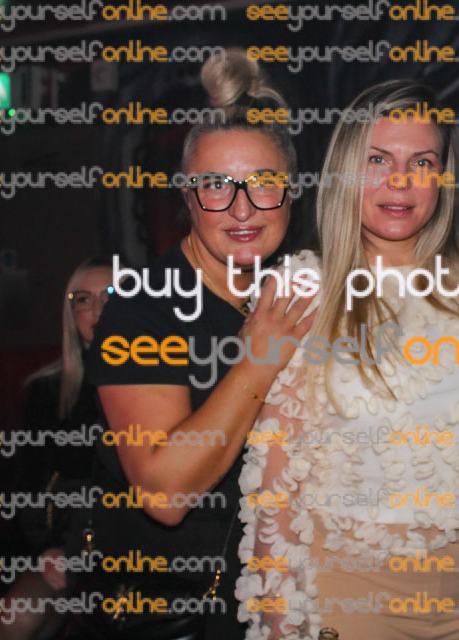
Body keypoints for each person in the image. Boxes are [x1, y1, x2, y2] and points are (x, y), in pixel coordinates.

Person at [235, 80, 459, 640]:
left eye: (422, 162)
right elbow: (274, 488)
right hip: (347, 599)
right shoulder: (302, 291)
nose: (401, 181)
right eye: (378, 160)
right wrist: (280, 625)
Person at [78, 48, 313, 638]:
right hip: (178, 616)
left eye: (263, 185)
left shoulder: (293, 293)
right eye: (216, 186)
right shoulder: (141, 309)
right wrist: (259, 361)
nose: (241, 208)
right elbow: (165, 492)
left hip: (281, 603)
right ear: (187, 198)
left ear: (291, 194)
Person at [0, 258, 113, 640]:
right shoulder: (48, 390)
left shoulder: (166, 382)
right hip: (71, 539)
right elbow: (29, 480)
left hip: (141, 542)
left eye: (111, 295)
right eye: (84, 299)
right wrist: (47, 548)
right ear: (71, 314)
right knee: (14, 622)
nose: (98, 309)